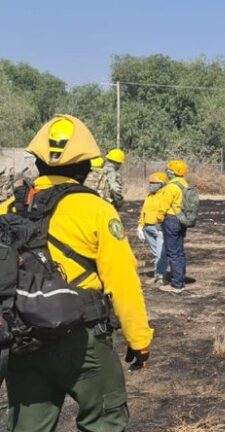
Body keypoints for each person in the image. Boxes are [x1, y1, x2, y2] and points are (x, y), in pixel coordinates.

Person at [0, 114, 153, 430]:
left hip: (23, 337)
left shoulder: (6, 209)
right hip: (83, 340)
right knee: (105, 422)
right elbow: (122, 281)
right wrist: (138, 340)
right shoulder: (97, 210)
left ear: (39, 163)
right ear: (85, 168)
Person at [157, 159, 191, 294]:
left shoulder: (171, 187)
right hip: (182, 220)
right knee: (179, 252)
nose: (167, 172)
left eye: (169, 170)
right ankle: (180, 280)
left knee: (173, 253)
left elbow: (162, 207)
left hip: (171, 220)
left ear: (173, 172)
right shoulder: (185, 184)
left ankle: (176, 285)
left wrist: (158, 220)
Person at [137, 171, 168, 285]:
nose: (151, 185)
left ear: (162, 184)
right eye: (150, 182)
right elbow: (143, 212)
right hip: (147, 228)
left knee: (161, 254)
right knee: (156, 253)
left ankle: (160, 277)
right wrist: (140, 226)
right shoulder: (149, 196)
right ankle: (158, 275)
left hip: (159, 228)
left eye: (154, 183)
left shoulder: (165, 196)